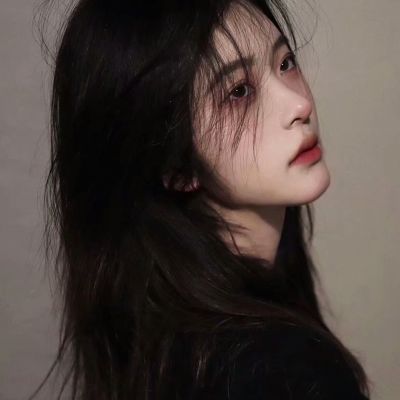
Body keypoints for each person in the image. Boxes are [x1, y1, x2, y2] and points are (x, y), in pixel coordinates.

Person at [32, 0, 372, 399]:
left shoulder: (163, 344)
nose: (300, 105)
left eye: (285, 63)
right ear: (176, 166)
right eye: (239, 92)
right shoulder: (277, 369)